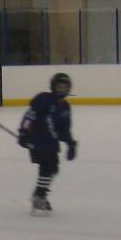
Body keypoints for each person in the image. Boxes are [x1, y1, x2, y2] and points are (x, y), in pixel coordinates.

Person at [18, 72, 77, 214]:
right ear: (53, 86)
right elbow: (30, 115)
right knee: (47, 167)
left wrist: (71, 143)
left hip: (52, 143)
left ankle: (40, 194)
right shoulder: (43, 99)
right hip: (37, 139)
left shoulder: (65, 107)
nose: (62, 89)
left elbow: (64, 129)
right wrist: (23, 133)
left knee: (53, 169)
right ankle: (39, 197)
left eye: (64, 87)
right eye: (59, 86)